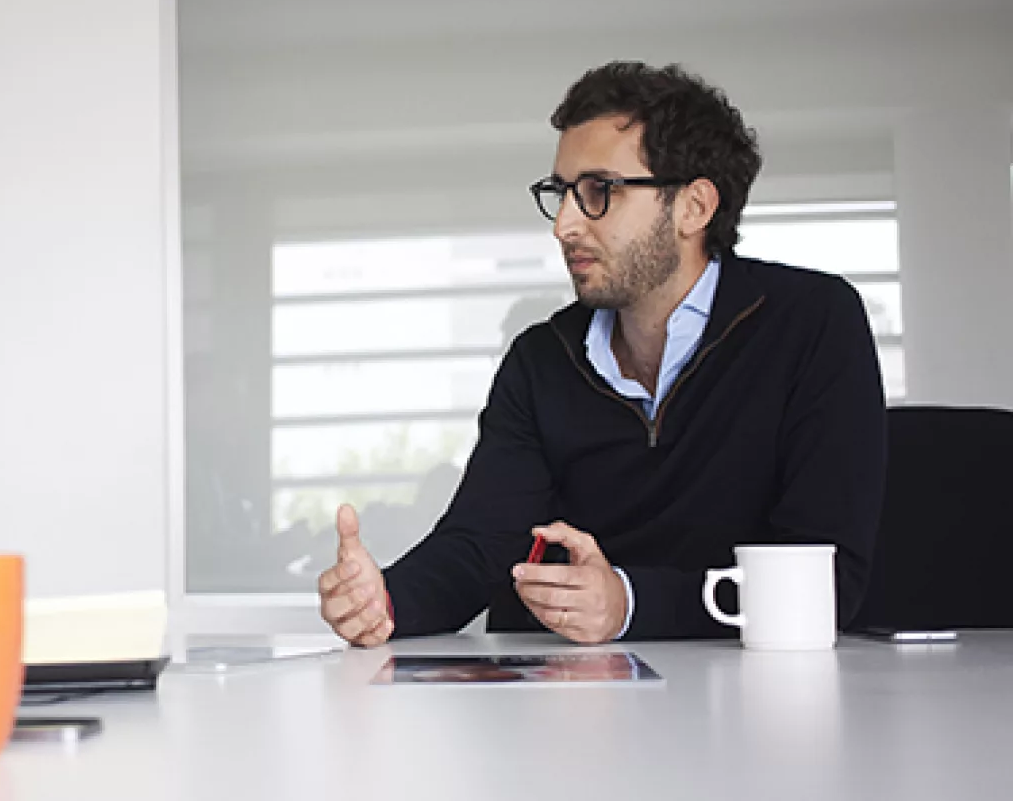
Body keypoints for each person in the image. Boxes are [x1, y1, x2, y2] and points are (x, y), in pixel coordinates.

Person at [318, 61, 886, 646]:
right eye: (561, 193)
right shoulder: (541, 359)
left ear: (693, 207)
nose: (564, 226)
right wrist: (384, 602)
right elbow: (480, 546)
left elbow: (822, 577)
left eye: (599, 192)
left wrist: (630, 603)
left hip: (750, 688)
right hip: (561, 693)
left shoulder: (812, 322)